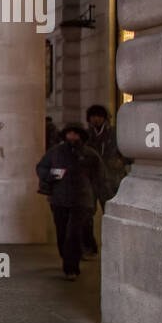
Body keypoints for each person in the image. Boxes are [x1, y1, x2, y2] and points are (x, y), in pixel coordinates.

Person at [36, 123, 104, 281]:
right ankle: (68, 257)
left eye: (76, 134)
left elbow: (99, 177)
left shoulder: (90, 155)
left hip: (82, 201)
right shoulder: (56, 152)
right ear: (65, 135)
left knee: (73, 233)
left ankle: (71, 267)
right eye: (70, 134)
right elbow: (41, 167)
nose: (72, 137)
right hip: (59, 199)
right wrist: (51, 176)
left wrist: (96, 196)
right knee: (61, 233)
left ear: (81, 136)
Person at [82, 104, 126, 258]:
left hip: (110, 178)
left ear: (105, 118)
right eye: (93, 116)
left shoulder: (114, 134)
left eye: (99, 116)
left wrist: (122, 160)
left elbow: (126, 151)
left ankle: (116, 245)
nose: (96, 119)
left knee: (112, 212)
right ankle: (89, 247)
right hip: (91, 180)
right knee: (86, 213)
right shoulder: (86, 135)